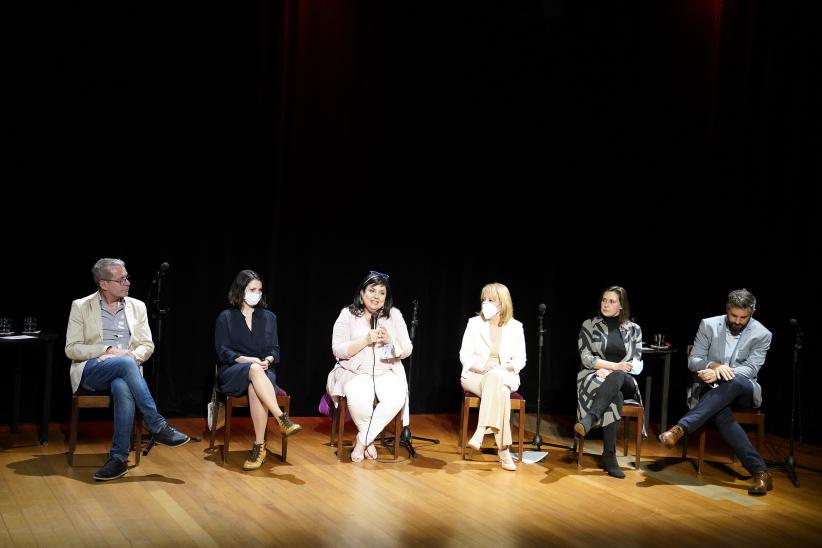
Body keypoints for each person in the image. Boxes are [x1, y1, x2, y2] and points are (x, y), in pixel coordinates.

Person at [65, 258, 191, 481]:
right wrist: (109, 350)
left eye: (127, 277)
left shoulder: (137, 306)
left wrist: (131, 356)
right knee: (124, 363)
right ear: (104, 284)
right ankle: (158, 426)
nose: (127, 282)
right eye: (121, 279)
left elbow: (147, 345)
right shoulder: (81, 306)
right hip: (93, 370)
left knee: (123, 384)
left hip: (126, 370)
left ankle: (118, 459)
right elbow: (72, 349)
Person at [659, 288, 773, 495]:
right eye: (733, 316)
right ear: (727, 309)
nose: (738, 321)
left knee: (736, 381)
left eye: (743, 317)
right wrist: (713, 365)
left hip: (743, 390)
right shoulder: (709, 325)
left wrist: (721, 373)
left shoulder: (763, 334)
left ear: (752, 312)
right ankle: (760, 472)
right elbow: (694, 360)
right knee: (721, 413)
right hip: (710, 390)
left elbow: (752, 368)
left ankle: (680, 429)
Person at [215, 269, 302, 470]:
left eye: (259, 289)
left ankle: (259, 446)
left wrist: (268, 360)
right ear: (240, 290)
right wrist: (248, 360)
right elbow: (223, 352)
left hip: (262, 372)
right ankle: (281, 418)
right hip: (233, 371)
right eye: (252, 289)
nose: (257, 293)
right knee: (253, 368)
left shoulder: (269, 317)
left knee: (256, 386)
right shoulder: (226, 317)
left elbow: (275, 351)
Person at [327, 271, 412, 462]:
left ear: (386, 297)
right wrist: (364, 340)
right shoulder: (347, 314)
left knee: (397, 395)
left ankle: (362, 440)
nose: (376, 296)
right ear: (362, 293)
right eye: (372, 290)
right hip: (356, 371)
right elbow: (337, 349)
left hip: (386, 371)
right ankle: (369, 439)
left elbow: (407, 349)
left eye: (382, 292)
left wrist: (390, 341)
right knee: (358, 395)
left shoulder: (394, 315)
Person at [574, 286, 643, 479]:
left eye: (611, 301)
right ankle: (609, 456)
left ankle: (590, 418)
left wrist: (613, 369)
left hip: (626, 379)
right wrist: (609, 367)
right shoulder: (589, 325)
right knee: (615, 396)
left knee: (619, 376)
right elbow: (586, 357)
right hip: (594, 375)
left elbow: (635, 362)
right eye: (604, 300)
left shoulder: (634, 329)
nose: (606, 304)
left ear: (621, 306)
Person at [459, 282, 526, 471]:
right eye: (484, 299)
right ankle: (504, 451)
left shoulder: (516, 327)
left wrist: (500, 368)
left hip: (505, 374)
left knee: (498, 378)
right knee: (501, 391)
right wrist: (483, 368)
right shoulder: (474, 324)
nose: (485, 303)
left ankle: (480, 432)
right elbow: (465, 355)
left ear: (502, 303)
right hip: (475, 375)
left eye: (491, 300)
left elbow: (521, 360)